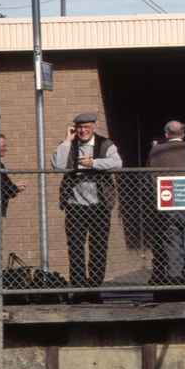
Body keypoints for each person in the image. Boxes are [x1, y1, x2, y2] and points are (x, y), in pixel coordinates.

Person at [51, 113, 122, 303]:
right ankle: (79, 289)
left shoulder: (106, 144)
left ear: (94, 127)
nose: (83, 130)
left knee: (98, 248)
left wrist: (94, 164)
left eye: (87, 127)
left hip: (100, 206)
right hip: (75, 206)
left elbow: (117, 162)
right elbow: (57, 165)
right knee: (75, 248)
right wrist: (67, 140)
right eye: (79, 127)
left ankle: (94, 290)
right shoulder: (69, 145)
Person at [146, 121, 185, 298]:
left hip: (165, 201)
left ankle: (174, 274)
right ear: (183, 134)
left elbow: (149, 174)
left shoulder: (156, 150)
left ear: (166, 134)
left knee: (171, 239)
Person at [0, 134, 28, 218]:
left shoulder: (0, 165)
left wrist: (16, 188)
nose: (6, 149)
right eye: (3, 146)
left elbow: (5, 187)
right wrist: (15, 187)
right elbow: (0, 188)